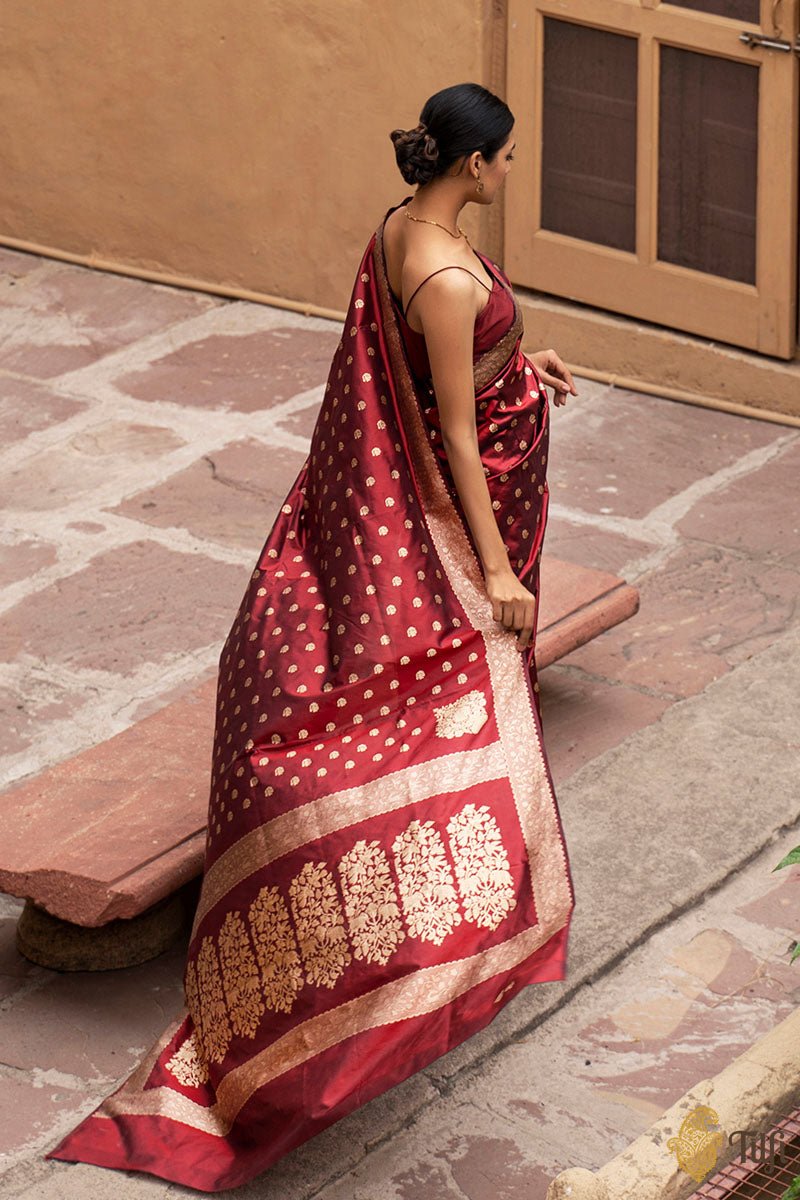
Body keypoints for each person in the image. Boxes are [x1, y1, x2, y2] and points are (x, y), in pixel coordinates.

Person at [47, 81, 577, 1193]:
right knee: (446, 700)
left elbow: (451, 368)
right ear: (473, 165)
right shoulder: (441, 275)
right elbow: (447, 426)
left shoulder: (403, 227)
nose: (511, 170)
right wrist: (489, 569)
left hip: (489, 459)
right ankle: (408, 957)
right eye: (506, 157)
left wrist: (525, 370)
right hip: (465, 507)